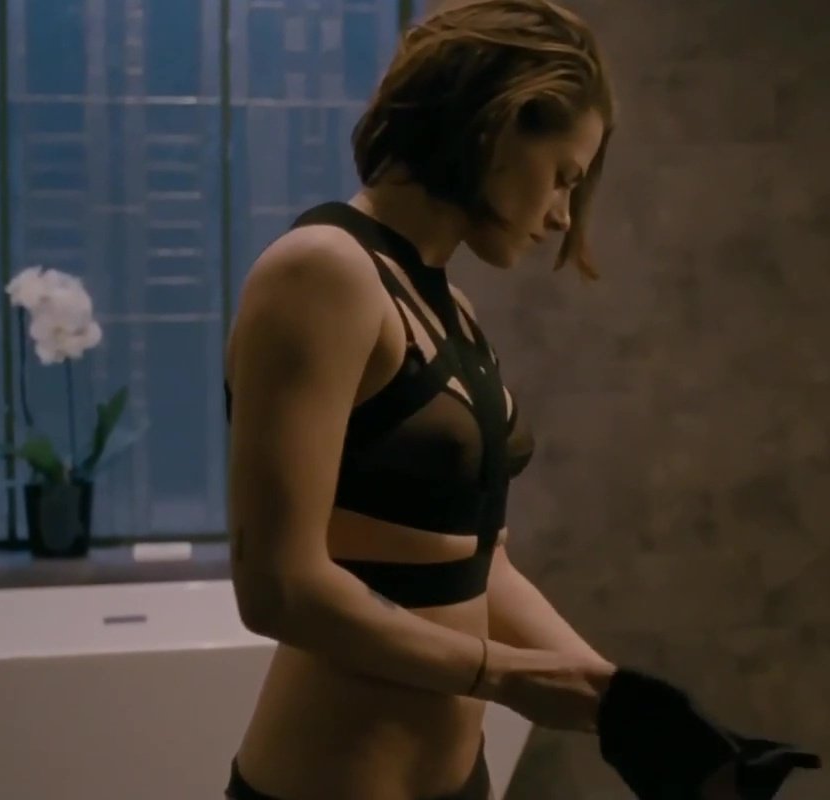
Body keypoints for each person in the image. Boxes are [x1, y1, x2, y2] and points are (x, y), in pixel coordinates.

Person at [221, 1, 616, 798]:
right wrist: (503, 676)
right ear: (497, 127)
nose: (561, 216)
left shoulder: (448, 307)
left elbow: (477, 562)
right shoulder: (322, 272)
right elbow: (278, 590)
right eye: (562, 177)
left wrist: (625, 705)